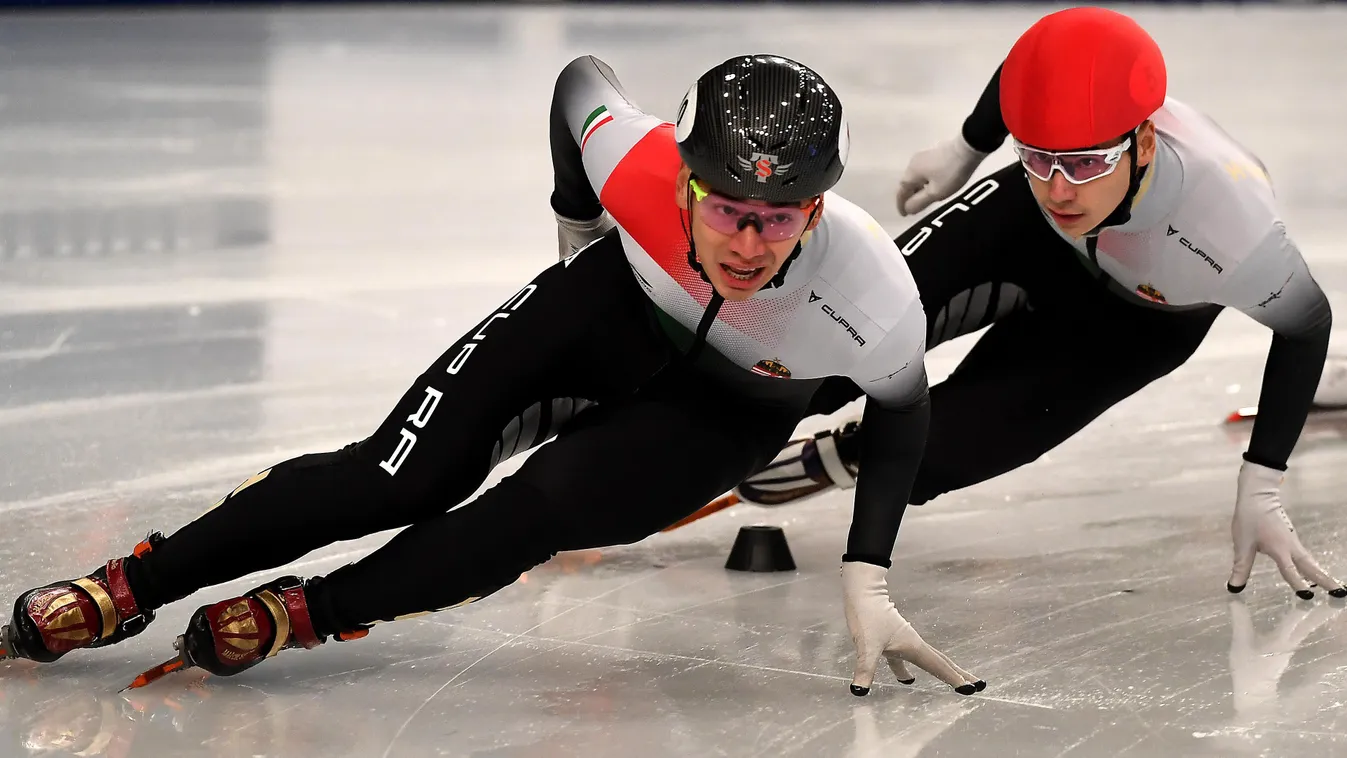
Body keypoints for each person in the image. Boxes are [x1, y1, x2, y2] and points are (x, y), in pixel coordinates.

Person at [0, 53, 985, 697]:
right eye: (725, 207)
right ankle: (130, 581)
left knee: (538, 507)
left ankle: (312, 611)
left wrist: (868, 574)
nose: (747, 240)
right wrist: (577, 231)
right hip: (608, 304)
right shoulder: (636, 165)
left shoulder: (868, 289)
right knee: (399, 471)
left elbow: (902, 414)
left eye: (780, 219)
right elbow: (578, 86)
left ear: (816, 212)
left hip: (724, 406)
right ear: (683, 178)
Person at [727, 6, 1347, 601]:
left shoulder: (1230, 229)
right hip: (1024, 234)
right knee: (825, 343)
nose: (1060, 188)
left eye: (1086, 163)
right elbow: (1033, 67)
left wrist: (1262, 482)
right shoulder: (1052, 182)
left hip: (1135, 326)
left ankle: (847, 454)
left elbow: (1307, 324)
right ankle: (688, 422)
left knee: (932, 455)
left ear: (1146, 144)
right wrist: (968, 149)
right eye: (1037, 157)